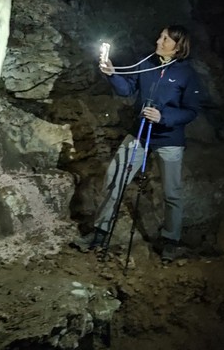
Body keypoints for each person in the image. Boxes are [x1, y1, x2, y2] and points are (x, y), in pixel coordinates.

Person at [73, 25, 201, 262]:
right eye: (160, 35)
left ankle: (171, 240)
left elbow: (192, 111)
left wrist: (164, 117)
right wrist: (112, 74)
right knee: (115, 177)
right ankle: (100, 233)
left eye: (165, 38)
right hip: (140, 134)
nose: (159, 40)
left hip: (169, 139)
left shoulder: (186, 73)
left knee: (172, 192)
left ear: (178, 46)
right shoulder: (147, 63)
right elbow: (127, 90)